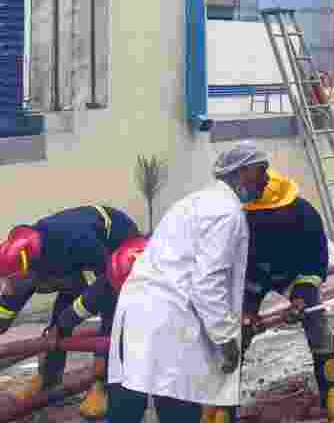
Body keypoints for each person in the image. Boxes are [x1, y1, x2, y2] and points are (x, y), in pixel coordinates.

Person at [106, 141, 270, 423]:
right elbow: (207, 283)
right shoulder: (227, 213)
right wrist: (226, 339)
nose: (267, 180)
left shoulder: (196, 201)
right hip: (172, 319)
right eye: (261, 171)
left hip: (140, 313)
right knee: (178, 403)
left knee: (128, 402)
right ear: (242, 172)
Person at [204, 169, 334, 422]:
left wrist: (301, 298)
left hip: (294, 273)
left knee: (317, 323)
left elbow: (315, 263)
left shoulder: (304, 215)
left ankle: (331, 396)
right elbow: (236, 267)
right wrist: (248, 311)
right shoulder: (240, 219)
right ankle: (223, 409)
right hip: (252, 276)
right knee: (235, 336)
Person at [0, 204, 141, 420]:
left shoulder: (78, 242)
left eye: (11, 281)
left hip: (114, 248)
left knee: (110, 315)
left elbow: (101, 292)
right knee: (58, 320)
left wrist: (67, 320)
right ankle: (48, 378)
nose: (7, 287)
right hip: (76, 263)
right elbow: (8, 304)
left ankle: (102, 385)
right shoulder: (25, 260)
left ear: (32, 268)